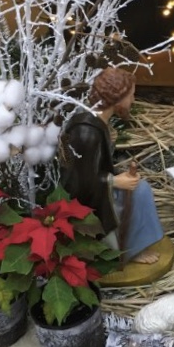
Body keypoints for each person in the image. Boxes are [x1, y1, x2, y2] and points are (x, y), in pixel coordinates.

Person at [59, 67, 164, 264]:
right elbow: (79, 183)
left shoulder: (98, 123)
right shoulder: (87, 133)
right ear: (117, 97)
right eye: (130, 96)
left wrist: (117, 178)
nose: (133, 100)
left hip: (98, 190)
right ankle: (129, 250)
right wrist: (114, 181)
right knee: (140, 191)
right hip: (86, 202)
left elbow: (95, 167)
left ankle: (134, 246)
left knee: (139, 188)